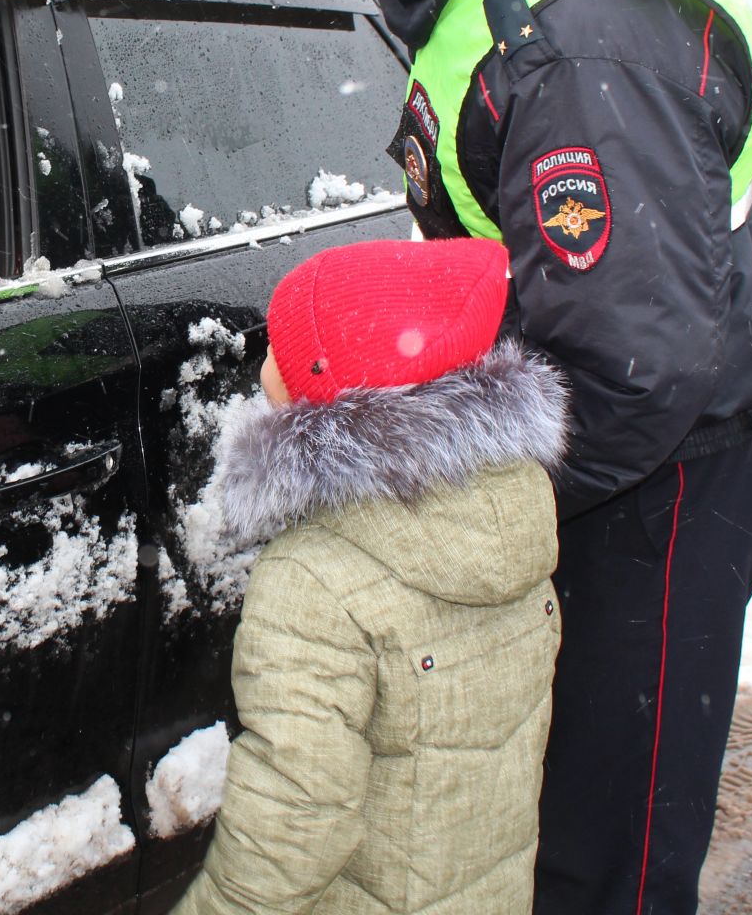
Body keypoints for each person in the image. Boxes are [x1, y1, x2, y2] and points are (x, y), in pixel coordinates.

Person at [248, 0, 752, 912]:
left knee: (600, 845)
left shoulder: (574, 26)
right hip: (622, 436)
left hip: (668, 469)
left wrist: (447, 510)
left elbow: (626, 358)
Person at [172, 237, 566, 915]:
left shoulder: (313, 580)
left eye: (278, 348)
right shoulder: (514, 506)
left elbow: (299, 808)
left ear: (322, 382)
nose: (264, 359)